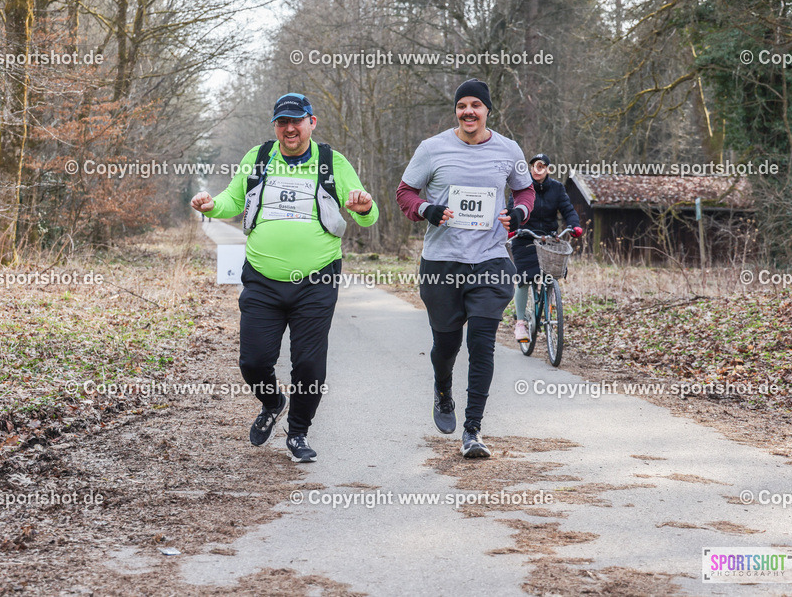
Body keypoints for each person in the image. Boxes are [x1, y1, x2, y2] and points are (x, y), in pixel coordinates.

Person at [190, 93, 376, 463]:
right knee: (253, 362)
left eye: (297, 120)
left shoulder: (331, 163)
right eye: (282, 122)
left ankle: (298, 432)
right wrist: (211, 205)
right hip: (262, 278)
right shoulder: (258, 158)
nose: (289, 128)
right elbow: (232, 201)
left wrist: (365, 207)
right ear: (275, 126)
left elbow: (366, 216)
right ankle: (273, 401)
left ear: (312, 122)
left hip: (316, 280)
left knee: (308, 363)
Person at [396, 79, 535, 458]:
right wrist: (429, 209)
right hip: (442, 263)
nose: (468, 111)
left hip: (491, 260)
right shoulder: (432, 148)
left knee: (481, 344)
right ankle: (443, 390)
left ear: (488, 110)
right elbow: (405, 193)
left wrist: (519, 213)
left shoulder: (509, 149)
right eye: (462, 106)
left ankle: (473, 430)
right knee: (446, 344)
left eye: (476, 105)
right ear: (456, 111)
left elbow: (525, 190)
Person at [508, 154, 582, 343]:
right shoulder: (521, 188)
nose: (536, 169)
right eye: (533, 166)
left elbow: (568, 210)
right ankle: (521, 323)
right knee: (524, 278)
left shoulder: (557, 189)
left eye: (541, 166)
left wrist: (574, 225)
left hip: (548, 237)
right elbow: (512, 210)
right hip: (525, 237)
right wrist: (512, 228)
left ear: (548, 169)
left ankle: (548, 305)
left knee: (552, 274)